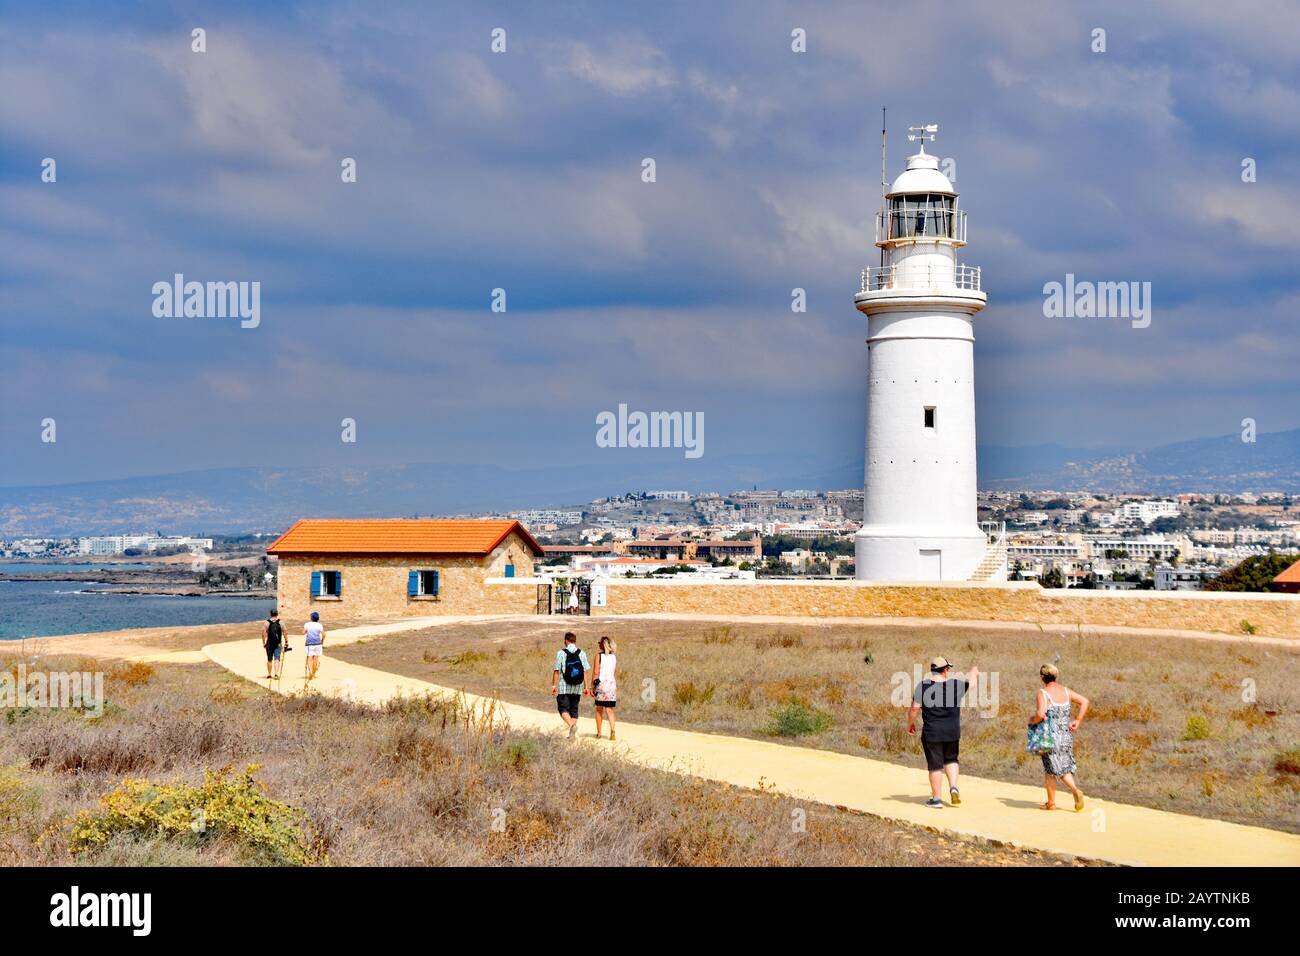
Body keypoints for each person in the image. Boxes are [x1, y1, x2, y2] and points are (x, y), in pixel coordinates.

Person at [907, 655, 978, 808]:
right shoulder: (956, 685)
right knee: (951, 759)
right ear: (945, 670)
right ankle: (953, 787)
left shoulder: (923, 686)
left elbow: (914, 709)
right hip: (952, 731)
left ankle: (937, 799)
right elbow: (972, 684)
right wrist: (974, 672)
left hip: (932, 733)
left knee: (935, 766)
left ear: (933, 671)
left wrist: (910, 724)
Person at [1029, 663, 1088, 811]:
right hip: (1066, 735)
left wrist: (1032, 720)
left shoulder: (1043, 693)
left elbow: (1041, 714)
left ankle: (1062, 797)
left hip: (1049, 736)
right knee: (1061, 767)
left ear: (1042, 677)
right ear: (1056, 675)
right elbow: (1084, 701)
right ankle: (1064, 796)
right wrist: (1078, 720)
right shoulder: (1066, 691)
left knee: (1051, 769)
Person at [551, 631, 591, 739]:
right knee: (574, 710)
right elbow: (585, 672)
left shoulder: (561, 653)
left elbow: (556, 671)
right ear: (575, 641)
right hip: (578, 687)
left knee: (562, 708)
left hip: (564, 687)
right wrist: (586, 687)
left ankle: (572, 726)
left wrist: (554, 686)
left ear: (566, 641)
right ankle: (571, 735)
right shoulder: (582, 653)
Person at [593, 635, 618, 741]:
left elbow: (595, 672)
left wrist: (592, 687)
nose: (598, 645)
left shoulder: (599, 656)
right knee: (609, 710)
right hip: (612, 685)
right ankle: (612, 732)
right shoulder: (614, 656)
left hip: (601, 685)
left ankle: (599, 733)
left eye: (599, 643)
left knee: (599, 709)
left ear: (603, 645)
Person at [261, 608, 284, 679]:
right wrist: (286, 641)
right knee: (277, 658)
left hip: (269, 643)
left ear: (270, 614)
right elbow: (285, 632)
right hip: (278, 643)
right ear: (277, 614)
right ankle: (276, 674)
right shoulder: (281, 622)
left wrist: (264, 642)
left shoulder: (266, 623)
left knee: (269, 659)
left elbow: (263, 634)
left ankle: (269, 674)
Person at [303, 611, 325, 682]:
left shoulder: (307, 624)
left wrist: (307, 632)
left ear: (311, 618)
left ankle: (310, 673)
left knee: (309, 659)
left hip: (309, 644)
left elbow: (303, 632)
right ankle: (314, 673)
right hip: (318, 644)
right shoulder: (319, 625)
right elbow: (324, 634)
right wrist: (322, 641)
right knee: (316, 659)